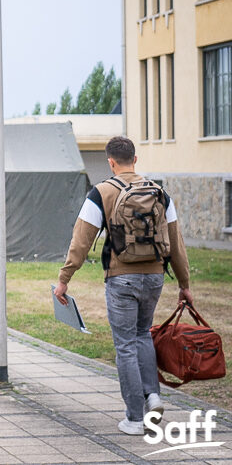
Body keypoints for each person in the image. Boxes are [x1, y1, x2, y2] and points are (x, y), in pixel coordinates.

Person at [53, 136, 191, 436]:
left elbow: (81, 241)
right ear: (135, 160)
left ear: (110, 162)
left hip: (121, 278)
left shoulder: (100, 192)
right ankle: (152, 396)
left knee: (125, 345)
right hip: (155, 276)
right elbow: (176, 243)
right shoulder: (160, 193)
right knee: (143, 334)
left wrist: (64, 280)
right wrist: (184, 283)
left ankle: (134, 418)